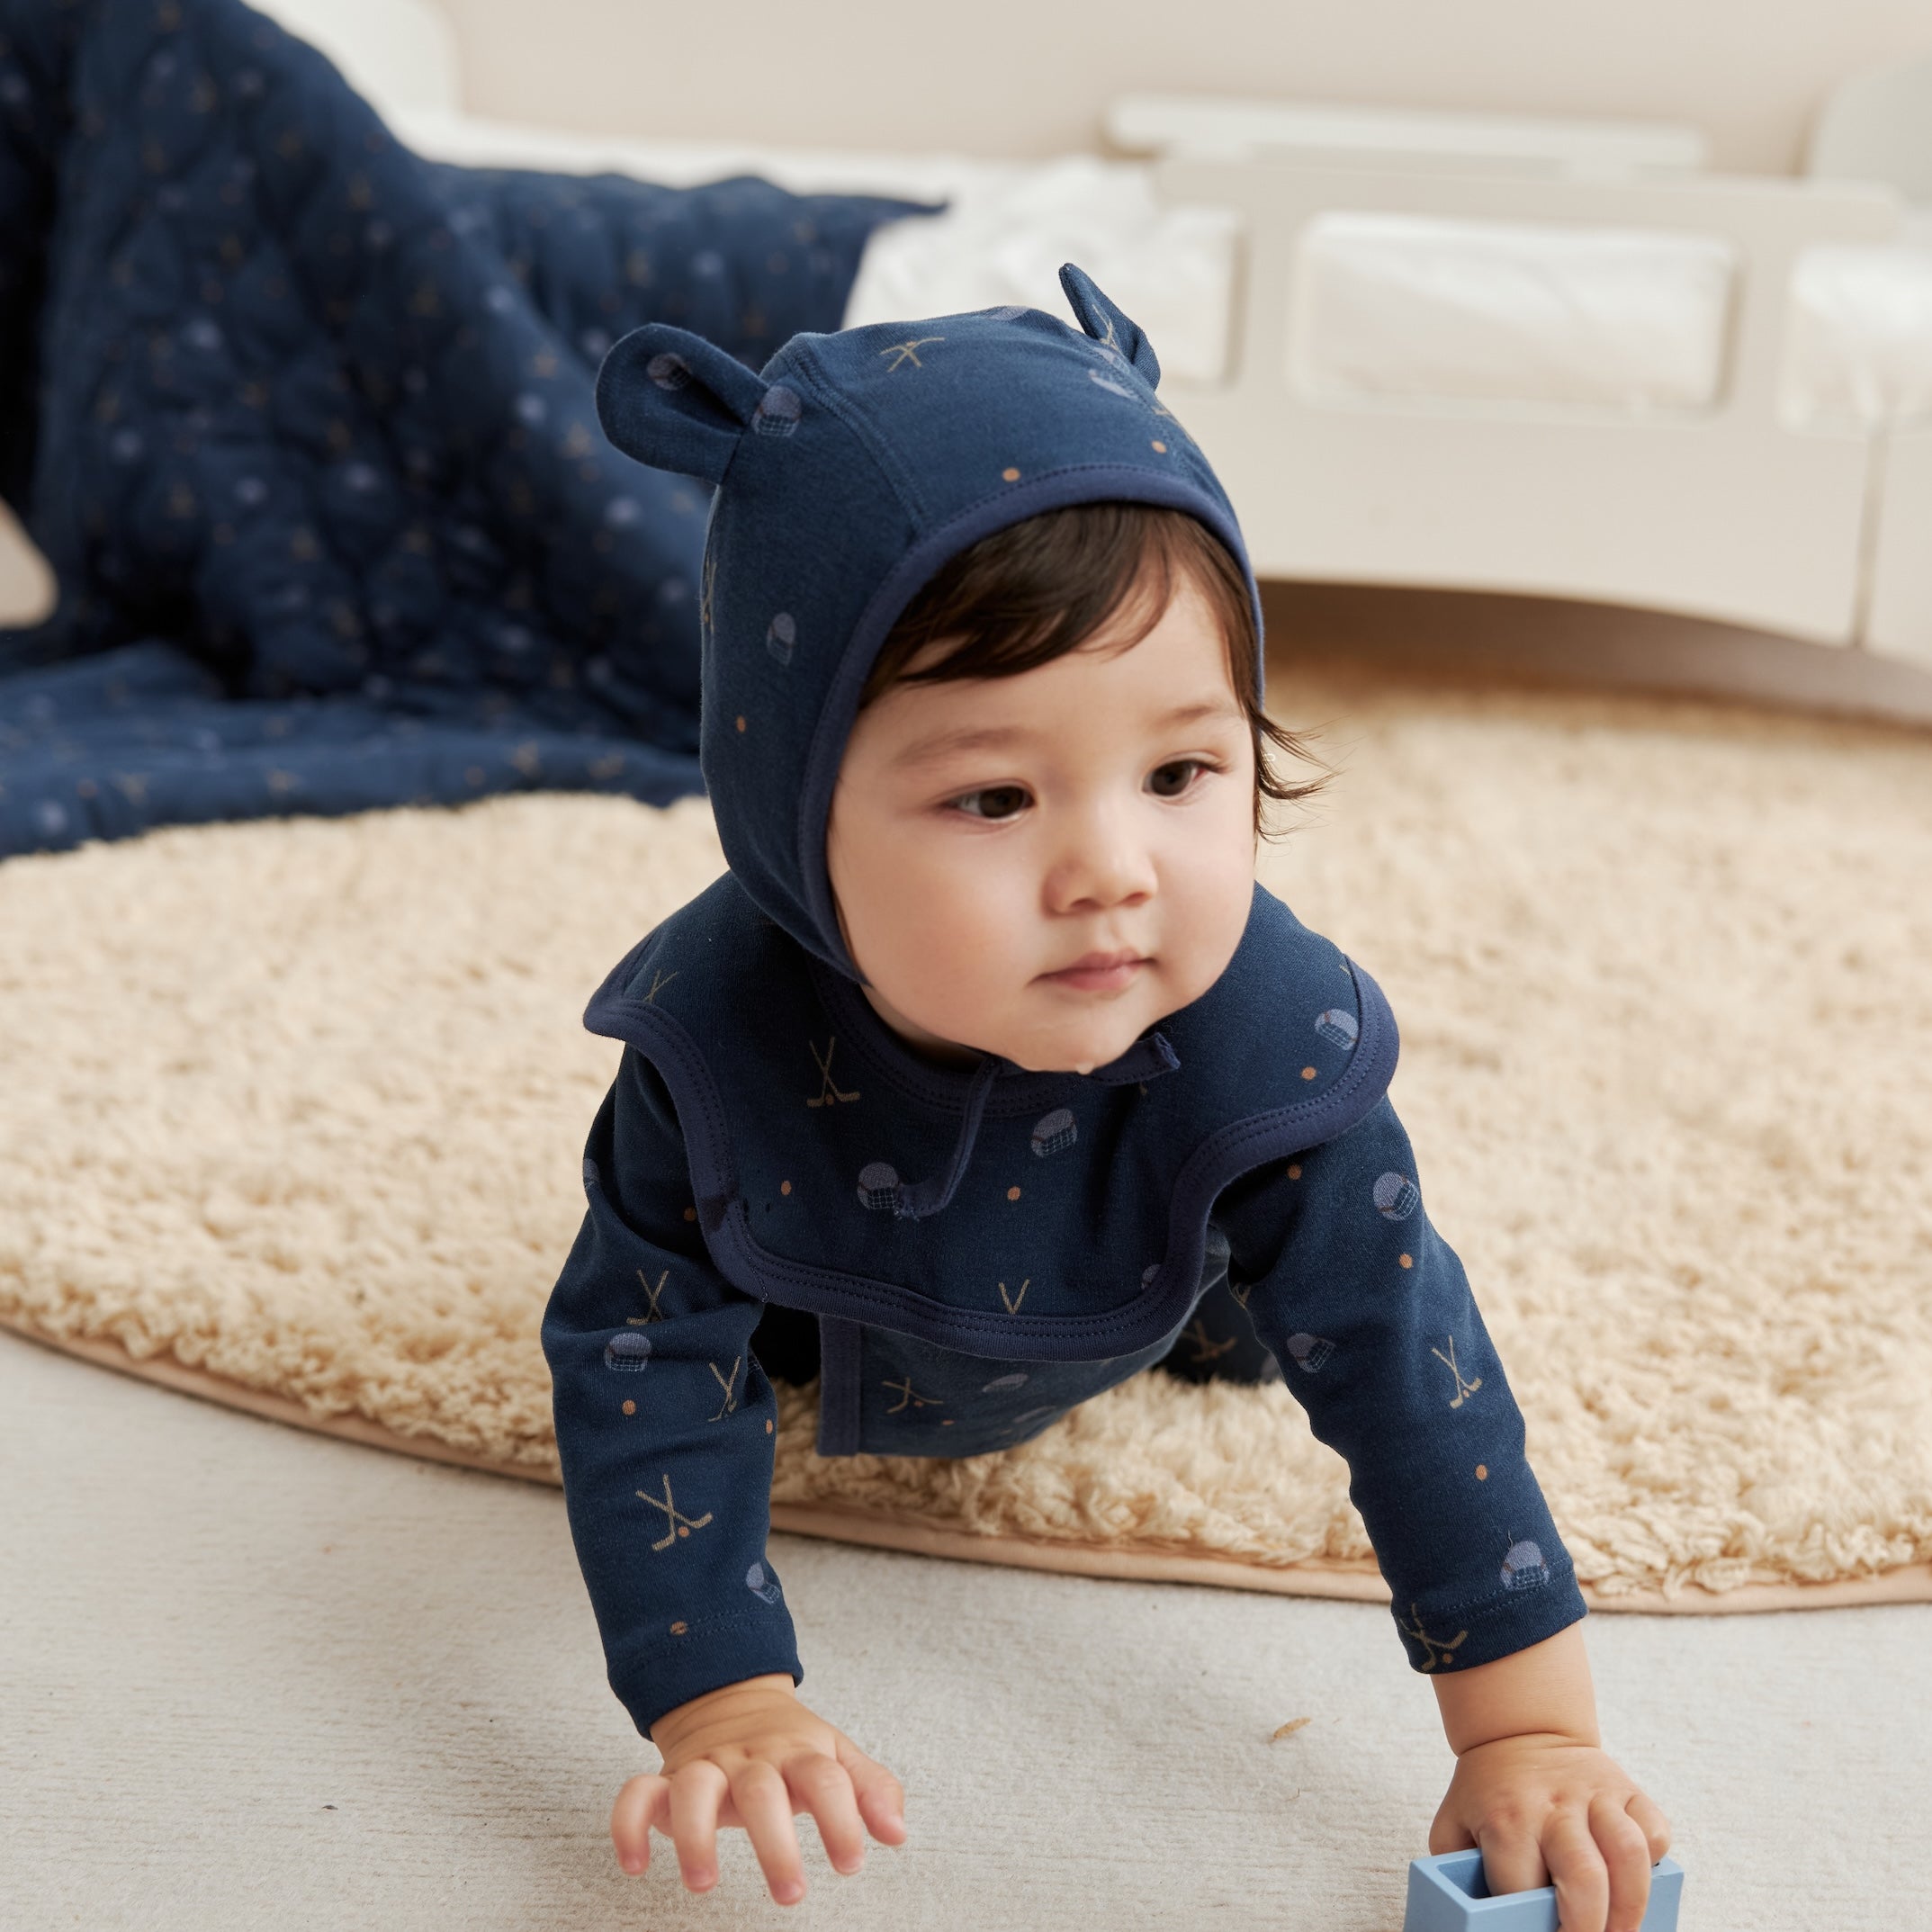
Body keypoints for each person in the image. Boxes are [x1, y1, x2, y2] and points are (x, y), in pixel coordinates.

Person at [540, 265, 1671, 1930]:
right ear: (785, 807)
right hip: (822, 1307)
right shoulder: (712, 1048)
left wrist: (1530, 1732)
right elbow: (638, 1363)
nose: (1112, 872)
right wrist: (723, 1700)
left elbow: (1407, 1365)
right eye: (996, 797)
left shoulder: (1270, 1044)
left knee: (1285, 1300)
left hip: (1179, 1275)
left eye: (1181, 772)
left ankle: (1195, 1297)